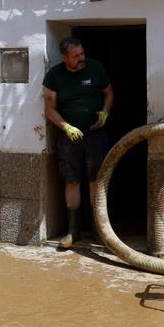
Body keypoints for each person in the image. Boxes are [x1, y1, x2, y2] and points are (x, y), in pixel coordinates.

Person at [43, 36, 113, 248]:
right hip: (70, 136)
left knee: (96, 180)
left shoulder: (95, 67)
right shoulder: (54, 76)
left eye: (82, 53)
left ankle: (99, 231)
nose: (81, 58)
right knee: (72, 180)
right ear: (65, 58)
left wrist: (105, 112)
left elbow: (109, 92)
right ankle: (74, 231)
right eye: (76, 56)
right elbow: (50, 109)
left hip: (96, 133)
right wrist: (66, 127)